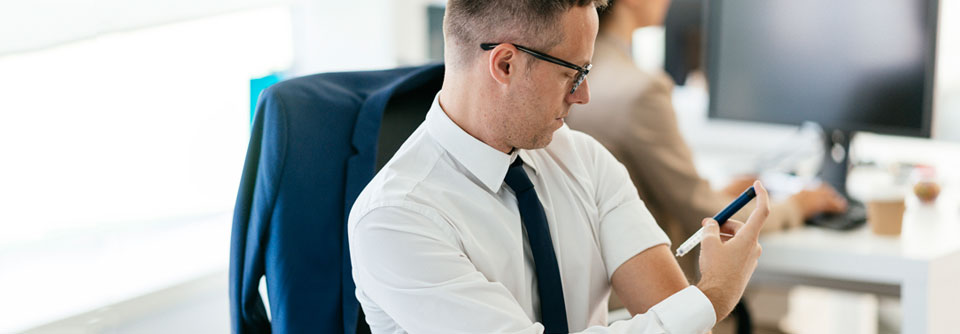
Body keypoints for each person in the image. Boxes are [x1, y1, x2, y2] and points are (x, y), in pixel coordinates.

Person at [348, 0, 768, 332]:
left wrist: (699, 305)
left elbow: (679, 321)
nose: (582, 96)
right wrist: (713, 295)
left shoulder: (584, 159)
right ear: (505, 64)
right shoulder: (395, 218)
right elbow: (688, 315)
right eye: (574, 73)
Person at [565, 0, 848, 283]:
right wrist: (798, 206)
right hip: (647, 298)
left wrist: (716, 194)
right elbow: (705, 216)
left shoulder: (573, 78)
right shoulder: (642, 91)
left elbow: (637, 194)